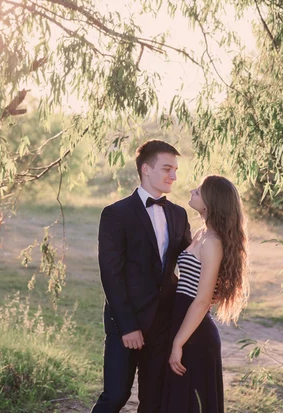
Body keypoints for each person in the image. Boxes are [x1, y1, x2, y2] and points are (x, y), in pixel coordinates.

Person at [91, 140, 192, 413]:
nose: (173, 176)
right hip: (126, 321)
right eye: (167, 169)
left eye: (176, 170)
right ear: (146, 169)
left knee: (153, 400)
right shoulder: (116, 214)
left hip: (163, 323)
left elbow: (189, 260)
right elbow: (111, 274)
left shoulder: (179, 214)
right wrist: (127, 326)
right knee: (116, 395)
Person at [162, 175, 249, 413]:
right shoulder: (203, 233)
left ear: (210, 203)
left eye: (198, 191)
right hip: (186, 325)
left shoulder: (212, 242)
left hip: (195, 336)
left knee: (190, 405)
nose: (192, 191)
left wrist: (178, 342)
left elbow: (201, 301)